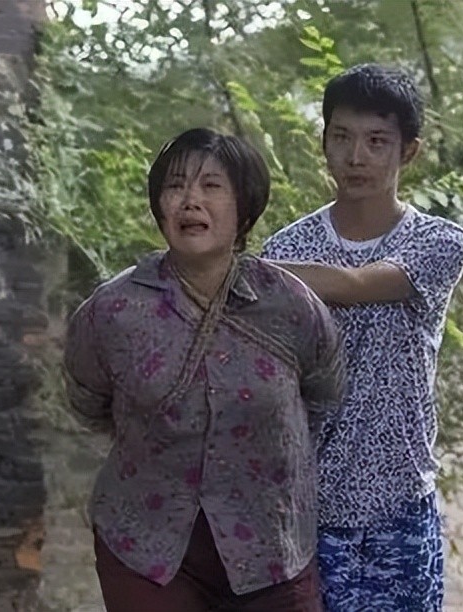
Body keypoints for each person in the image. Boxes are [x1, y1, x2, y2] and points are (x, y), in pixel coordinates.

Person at [64, 127, 344, 612]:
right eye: (175, 186)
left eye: (211, 186)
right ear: (159, 206)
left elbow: (323, 393)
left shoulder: (290, 305)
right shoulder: (113, 311)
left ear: (245, 208)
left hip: (271, 547)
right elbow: (88, 398)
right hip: (148, 546)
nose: (190, 200)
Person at [261, 64, 463, 611]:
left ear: (409, 152)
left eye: (377, 142)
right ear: (324, 142)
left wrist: (239, 272)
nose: (356, 157)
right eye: (342, 137)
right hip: (306, 508)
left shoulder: (437, 243)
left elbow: (356, 285)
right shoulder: (289, 246)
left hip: (399, 504)